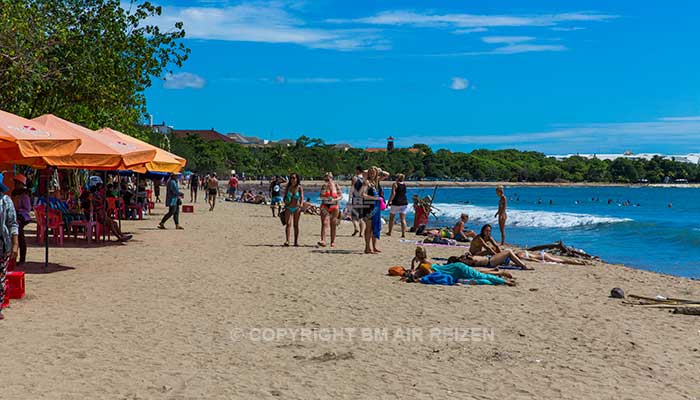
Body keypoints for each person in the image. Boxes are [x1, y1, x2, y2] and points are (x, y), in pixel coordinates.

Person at [0, 172, 19, 320]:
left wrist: (15, 244)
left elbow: (12, 224)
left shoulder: (6, 201)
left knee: (0, 278)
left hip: (2, 244)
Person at [360, 167, 383, 254]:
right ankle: (367, 247)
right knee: (369, 228)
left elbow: (386, 174)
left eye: (374, 173)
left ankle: (374, 247)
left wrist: (378, 169)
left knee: (375, 227)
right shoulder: (366, 183)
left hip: (376, 208)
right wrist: (375, 198)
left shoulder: (376, 182)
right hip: (368, 208)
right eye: (370, 172)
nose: (372, 174)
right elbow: (363, 195)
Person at [11, 174, 31, 265]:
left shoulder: (24, 195)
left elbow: (27, 208)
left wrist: (18, 210)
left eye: (18, 183)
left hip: (22, 216)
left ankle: (22, 259)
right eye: (15, 183)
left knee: (20, 237)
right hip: (15, 215)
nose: (16, 185)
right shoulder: (14, 193)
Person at [318, 172, 342, 247]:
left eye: (329, 178)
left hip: (334, 206)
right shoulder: (324, 186)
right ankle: (323, 240)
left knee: (333, 224)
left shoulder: (336, 185)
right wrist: (327, 197)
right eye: (326, 178)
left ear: (332, 178)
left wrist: (335, 199)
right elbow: (321, 196)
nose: (328, 179)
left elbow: (340, 195)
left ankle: (332, 242)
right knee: (324, 223)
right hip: (325, 206)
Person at [459, 250, 533, 271]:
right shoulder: (467, 260)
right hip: (490, 261)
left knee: (507, 257)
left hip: (490, 260)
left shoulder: (467, 259)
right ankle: (524, 266)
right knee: (509, 251)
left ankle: (518, 264)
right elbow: (472, 262)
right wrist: (470, 258)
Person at [283, 173, 303, 247]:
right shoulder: (288, 187)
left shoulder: (299, 187)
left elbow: (302, 197)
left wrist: (301, 205)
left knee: (296, 225)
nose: (293, 179)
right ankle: (287, 240)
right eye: (291, 178)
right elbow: (284, 196)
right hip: (288, 207)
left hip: (296, 208)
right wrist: (285, 202)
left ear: (297, 179)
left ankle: (295, 242)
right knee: (288, 224)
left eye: (294, 178)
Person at [386, 173, 409, 238]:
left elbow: (393, 194)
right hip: (404, 202)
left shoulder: (395, 184)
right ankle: (403, 234)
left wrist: (388, 202)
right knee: (403, 219)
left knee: (391, 218)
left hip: (396, 203)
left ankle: (390, 232)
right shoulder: (404, 184)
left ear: (397, 178)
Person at [349, 166, 365, 237]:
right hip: (362, 198)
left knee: (353, 216)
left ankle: (356, 228)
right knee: (361, 217)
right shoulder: (364, 178)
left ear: (358, 170)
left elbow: (352, 188)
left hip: (356, 198)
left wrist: (349, 198)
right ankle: (361, 233)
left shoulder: (355, 178)